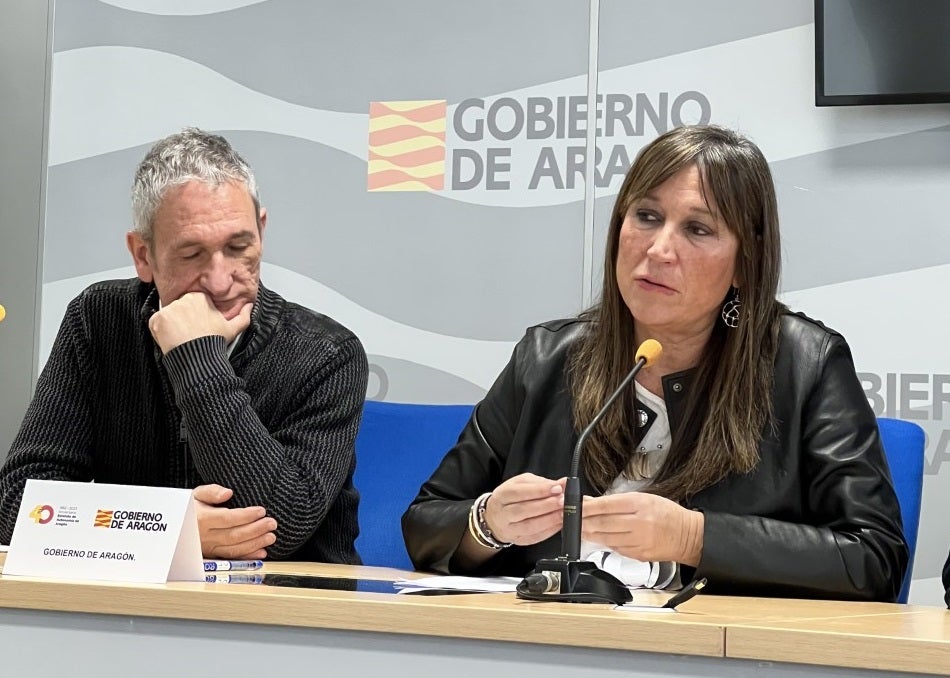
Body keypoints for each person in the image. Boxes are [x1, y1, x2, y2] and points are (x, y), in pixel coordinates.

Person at [403, 124, 907, 601]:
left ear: (745, 263)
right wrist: (487, 524)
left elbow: (873, 559)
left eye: (697, 229)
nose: (660, 248)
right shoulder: (547, 356)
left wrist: (694, 537)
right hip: (542, 647)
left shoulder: (805, 364)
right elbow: (425, 523)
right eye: (646, 216)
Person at [0, 128, 368, 563]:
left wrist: (197, 358)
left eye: (238, 246)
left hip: (291, 616)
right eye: (192, 254)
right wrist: (166, 528)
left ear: (261, 231)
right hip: (130, 615)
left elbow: (278, 527)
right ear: (143, 255)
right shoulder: (98, 319)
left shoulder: (327, 352)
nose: (219, 280)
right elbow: (18, 505)